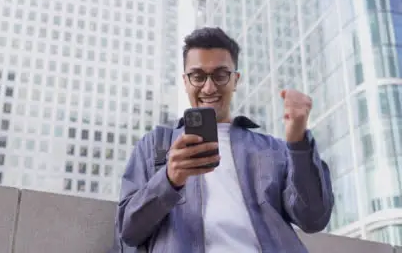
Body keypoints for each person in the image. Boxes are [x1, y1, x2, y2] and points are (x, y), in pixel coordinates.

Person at [113, 27, 334, 253]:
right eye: (198, 76)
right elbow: (127, 232)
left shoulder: (274, 150)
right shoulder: (155, 145)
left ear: (235, 80)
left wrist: (298, 142)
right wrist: (169, 179)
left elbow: (313, 219)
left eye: (220, 75)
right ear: (186, 81)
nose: (209, 88)